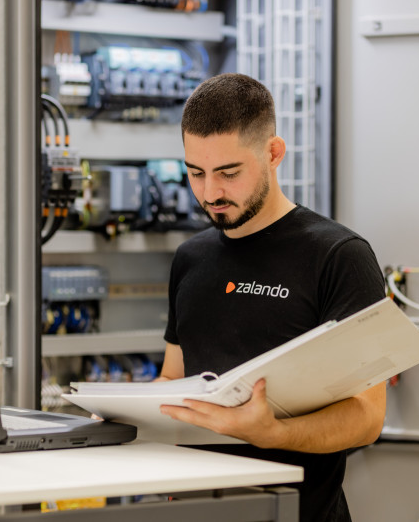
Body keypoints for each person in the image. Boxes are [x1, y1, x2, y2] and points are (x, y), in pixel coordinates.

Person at [157, 73, 387, 522]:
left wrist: (273, 432)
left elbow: (366, 416)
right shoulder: (190, 258)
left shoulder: (339, 255)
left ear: (273, 153)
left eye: (228, 173)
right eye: (195, 172)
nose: (210, 193)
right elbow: (174, 378)